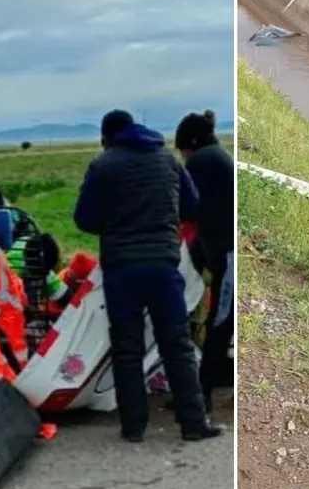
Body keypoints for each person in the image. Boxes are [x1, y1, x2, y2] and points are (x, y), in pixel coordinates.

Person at [73, 109, 223, 443]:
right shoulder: (167, 160)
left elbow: (83, 218)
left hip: (121, 271)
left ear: (107, 136)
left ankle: (133, 427)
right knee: (177, 346)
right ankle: (194, 424)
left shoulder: (103, 166)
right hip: (162, 267)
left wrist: (114, 223)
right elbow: (192, 206)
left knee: (127, 349)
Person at [175, 110, 235, 414]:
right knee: (219, 322)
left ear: (191, 144)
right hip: (224, 253)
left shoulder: (202, 162)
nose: (183, 157)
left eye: (183, 150)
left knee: (220, 324)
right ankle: (208, 386)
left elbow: (187, 210)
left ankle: (202, 396)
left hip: (230, 257)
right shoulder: (216, 157)